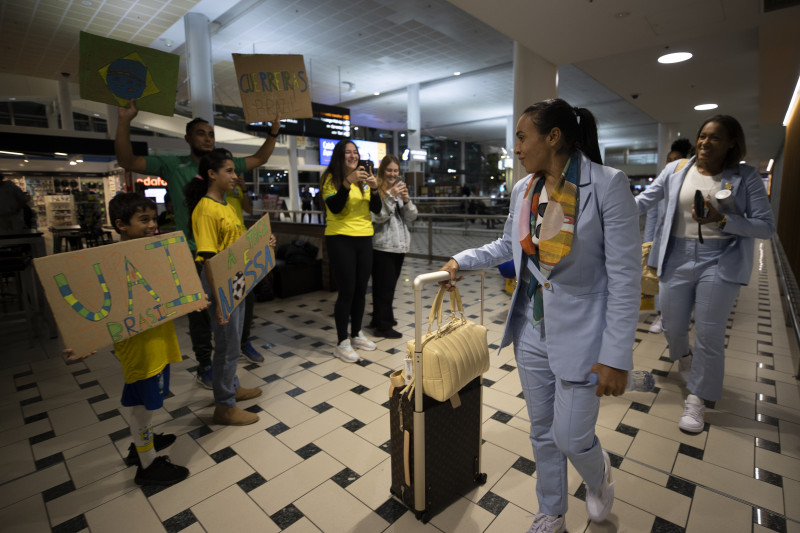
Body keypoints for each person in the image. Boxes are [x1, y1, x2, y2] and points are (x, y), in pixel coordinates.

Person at [440, 98, 640, 532]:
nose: (515, 147)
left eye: (521, 136)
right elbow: (506, 247)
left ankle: (598, 472)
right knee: (542, 431)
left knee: (571, 437)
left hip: (585, 334)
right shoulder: (524, 189)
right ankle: (552, 510)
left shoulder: (607, 185)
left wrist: (617, 355)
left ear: (553, 138)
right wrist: (461, 260)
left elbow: (625, 278)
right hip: (531, 325)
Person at [115, 98, 280, 389]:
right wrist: (125, 121)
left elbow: (260, 159)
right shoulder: (174, 165)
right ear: (188, 138)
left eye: (211, 133)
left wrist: (274, 133)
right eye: (201, 133)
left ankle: (240, 346)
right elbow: (127, 161)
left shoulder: (224, 171)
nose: (207, 138)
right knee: (203, 313)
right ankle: (206, 364)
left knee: (244, 304)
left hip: (234, 257)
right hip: (197, 255)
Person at [635, 115, 774, 433]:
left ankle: (697, 400)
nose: (704, 142)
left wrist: (722, 220)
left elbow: (765, 226)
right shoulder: (676, 170)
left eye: (713, 138)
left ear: (731, 143)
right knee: (671, 324)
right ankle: (684, 358)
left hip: (721, 260)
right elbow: (645, 200)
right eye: (701, 136)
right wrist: (603, 210)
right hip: (677, 257)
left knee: (710, 334)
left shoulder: (746, 178)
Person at [66, 193, 203, 486]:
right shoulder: (112, 264)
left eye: (154, 218)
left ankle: (140, 445)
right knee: (144, 407)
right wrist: (84, 339)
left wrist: (192, 298)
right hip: (141, 349)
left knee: (145, 400)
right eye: (144, 220)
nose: (153, 225)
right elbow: (97, 309)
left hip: (156, 340)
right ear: (121, 225)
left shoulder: (150, 255)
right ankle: (148, 465)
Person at [184, 148, 274, 426]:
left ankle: (231, 387)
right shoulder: (205, 209)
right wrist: (221, 300)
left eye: (235, 171)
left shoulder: (226, 205)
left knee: (233, 342)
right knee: (226, 345)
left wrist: (262, 242)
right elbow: (209, 259)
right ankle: (224, 405)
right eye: (230, 171)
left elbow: (237, 244)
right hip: (219, 283)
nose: (236, 176)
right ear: (212, 174)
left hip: (236, 280)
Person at [321, 140, 382, 362]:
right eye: (347, 152)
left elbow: (376, 209)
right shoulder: (331, 179)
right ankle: (341, 342)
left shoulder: (363, 180)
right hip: (340, 238)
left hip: (364, 238)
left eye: (355, 152)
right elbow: (335, 206)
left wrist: (374, 188)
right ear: (339, 156)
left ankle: (356, 334)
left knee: (360, 290)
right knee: (346, 291)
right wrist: (348, 181)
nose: (352, 156)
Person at [644, 138, 693, 334]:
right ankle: (661, 315)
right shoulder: (662, 183)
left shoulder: (689, 185)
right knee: (659, 280)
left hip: (684, 243)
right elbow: (651, 215)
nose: (671, 163)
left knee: (682, 283)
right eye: (669, 159)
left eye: (676, 159)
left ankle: (683, 315)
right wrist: (648, 242)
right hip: (660, 241)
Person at [368, 155, 417, 338]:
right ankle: (384, 326)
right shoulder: (376, 190)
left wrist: (406, 200)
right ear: (382, 171)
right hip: (382, 246)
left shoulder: (397, 190)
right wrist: (390, 196)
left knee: (387, 287)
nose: (393, 174)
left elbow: (412, 216)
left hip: (399, 247)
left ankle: (378, 318)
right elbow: (378, 216)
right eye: (389, 170)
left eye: (396, 171)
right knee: (384, 288)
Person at [226, 175, 264, 365]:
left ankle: (242, 343)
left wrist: (245, 189)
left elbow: (249, 210)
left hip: (240, 253)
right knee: (228, 306)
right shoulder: (208, 205)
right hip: (222, 258)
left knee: (246, 298)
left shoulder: (237, 189)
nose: (234, 176)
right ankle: (229, 349)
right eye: (229, 170)